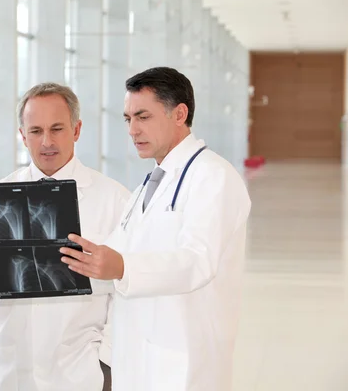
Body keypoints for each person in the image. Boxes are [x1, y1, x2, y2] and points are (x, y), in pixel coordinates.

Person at [60, 67, 252, 391]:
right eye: (127, 119)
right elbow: (118, 249)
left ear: (179, 113)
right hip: (138, 355)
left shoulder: (213, 176)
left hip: (185, 360)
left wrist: (121, 266)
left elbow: (197, 261)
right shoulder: (149, 184)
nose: (133, 130)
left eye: (143, 116)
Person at [0, 82, 130, 391]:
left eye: (57, 129)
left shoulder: (114, 199)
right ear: (22, 135)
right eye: (35, 131)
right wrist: (18, 314)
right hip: (14, 363)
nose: (46, 142)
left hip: (82, 366)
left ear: (77, 129)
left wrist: (105, 356)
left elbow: (126, 283)